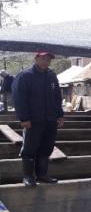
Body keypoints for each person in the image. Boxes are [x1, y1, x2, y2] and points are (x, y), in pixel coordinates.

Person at [12, 52, 64, 187]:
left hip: (50, 120)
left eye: (48, 59)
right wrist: (24, 118)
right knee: (30, 148)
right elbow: (19, 98)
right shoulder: (25, 76)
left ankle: (42, 175)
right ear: (36, 58)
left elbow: (57, 97)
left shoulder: (52, 76)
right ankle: (28, 176)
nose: (46, 61)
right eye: (43, 58)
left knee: (46, 147)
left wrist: (60, 115)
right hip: (33, 120)